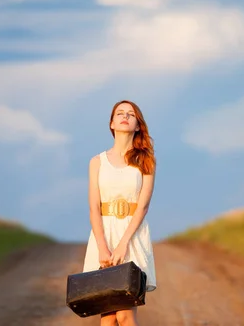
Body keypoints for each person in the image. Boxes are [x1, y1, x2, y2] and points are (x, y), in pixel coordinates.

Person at [82, 100, 157, 326]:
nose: (125, 116)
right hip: (103, 235)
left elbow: (143, 206)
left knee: (124, 314)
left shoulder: (145, 160)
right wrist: (103, 246)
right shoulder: (97, 162)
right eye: (120, 113)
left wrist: (124, 243)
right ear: (112, 123)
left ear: (137, 125)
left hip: (131, 235)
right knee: (108, 316)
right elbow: (94, 207)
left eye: (131, 114)